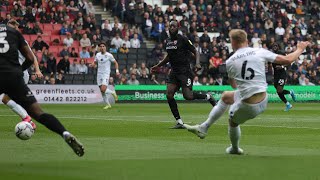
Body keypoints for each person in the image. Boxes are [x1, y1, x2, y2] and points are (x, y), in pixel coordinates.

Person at [184, 29, 309, 155]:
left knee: (232, 122)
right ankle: (203, 127)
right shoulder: (259, 52)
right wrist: (300, 49)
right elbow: (287, 60)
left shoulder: (230, 61)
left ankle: (234, 148)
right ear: (247, 41)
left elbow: (234, 85)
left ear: (232, 43)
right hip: (263, 99)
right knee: (226, 96)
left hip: (248, 106)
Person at [0, 21, 84, 157]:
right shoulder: (15, 33)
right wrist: (18, 70)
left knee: (5, 98)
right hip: (14, 75)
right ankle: (64, 133)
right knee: (38, 112)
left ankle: (25, 117)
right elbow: (30, 58)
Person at [150, 20, 216, 129]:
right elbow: (168, 57)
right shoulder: (168, 41)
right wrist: (158, 65)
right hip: (174, 72)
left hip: (185, 71)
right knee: (169, 94)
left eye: (174, 26)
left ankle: (208, 96)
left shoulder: (183, 39)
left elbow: (196, 51)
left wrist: (198, 63)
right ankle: (179, 122)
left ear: (178, 28)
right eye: (170, 26)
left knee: (188, 96)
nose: (171, 27)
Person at [2, 20, 43, 130]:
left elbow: (32, 57)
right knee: (8, 99)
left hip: (19, 73)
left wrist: (37, 70)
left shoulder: (19, 40)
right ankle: (27, 118)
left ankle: (27, 119)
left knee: (6, 98)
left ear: (16, 28)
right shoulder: (7, 41)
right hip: (11, 73)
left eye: (12, 27)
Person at [90, 42, 120, 109]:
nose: (102, 47)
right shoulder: (97, 55)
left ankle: (113, 92)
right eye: (101, 46)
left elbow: (116, 63)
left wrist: (117, 71)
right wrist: (92, 65)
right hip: (99, 74)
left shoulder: (109, 55)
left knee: (103, 89)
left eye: (103, 46)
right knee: (102, 91)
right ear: (99, 48)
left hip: (106, 74)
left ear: (105, 47)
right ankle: (108, 105)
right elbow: (94, 63)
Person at [270, 43, 296, 111]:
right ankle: (288, 104)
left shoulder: (281, 53)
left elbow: (289, 62)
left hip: (282, 74)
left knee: (279, 90)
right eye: (273, 46)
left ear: (278, 47)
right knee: (279, 92)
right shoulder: (271, 55)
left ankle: (290, 95)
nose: (274, 47)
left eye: (276, 45)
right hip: (276, 75)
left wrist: (281, 66)